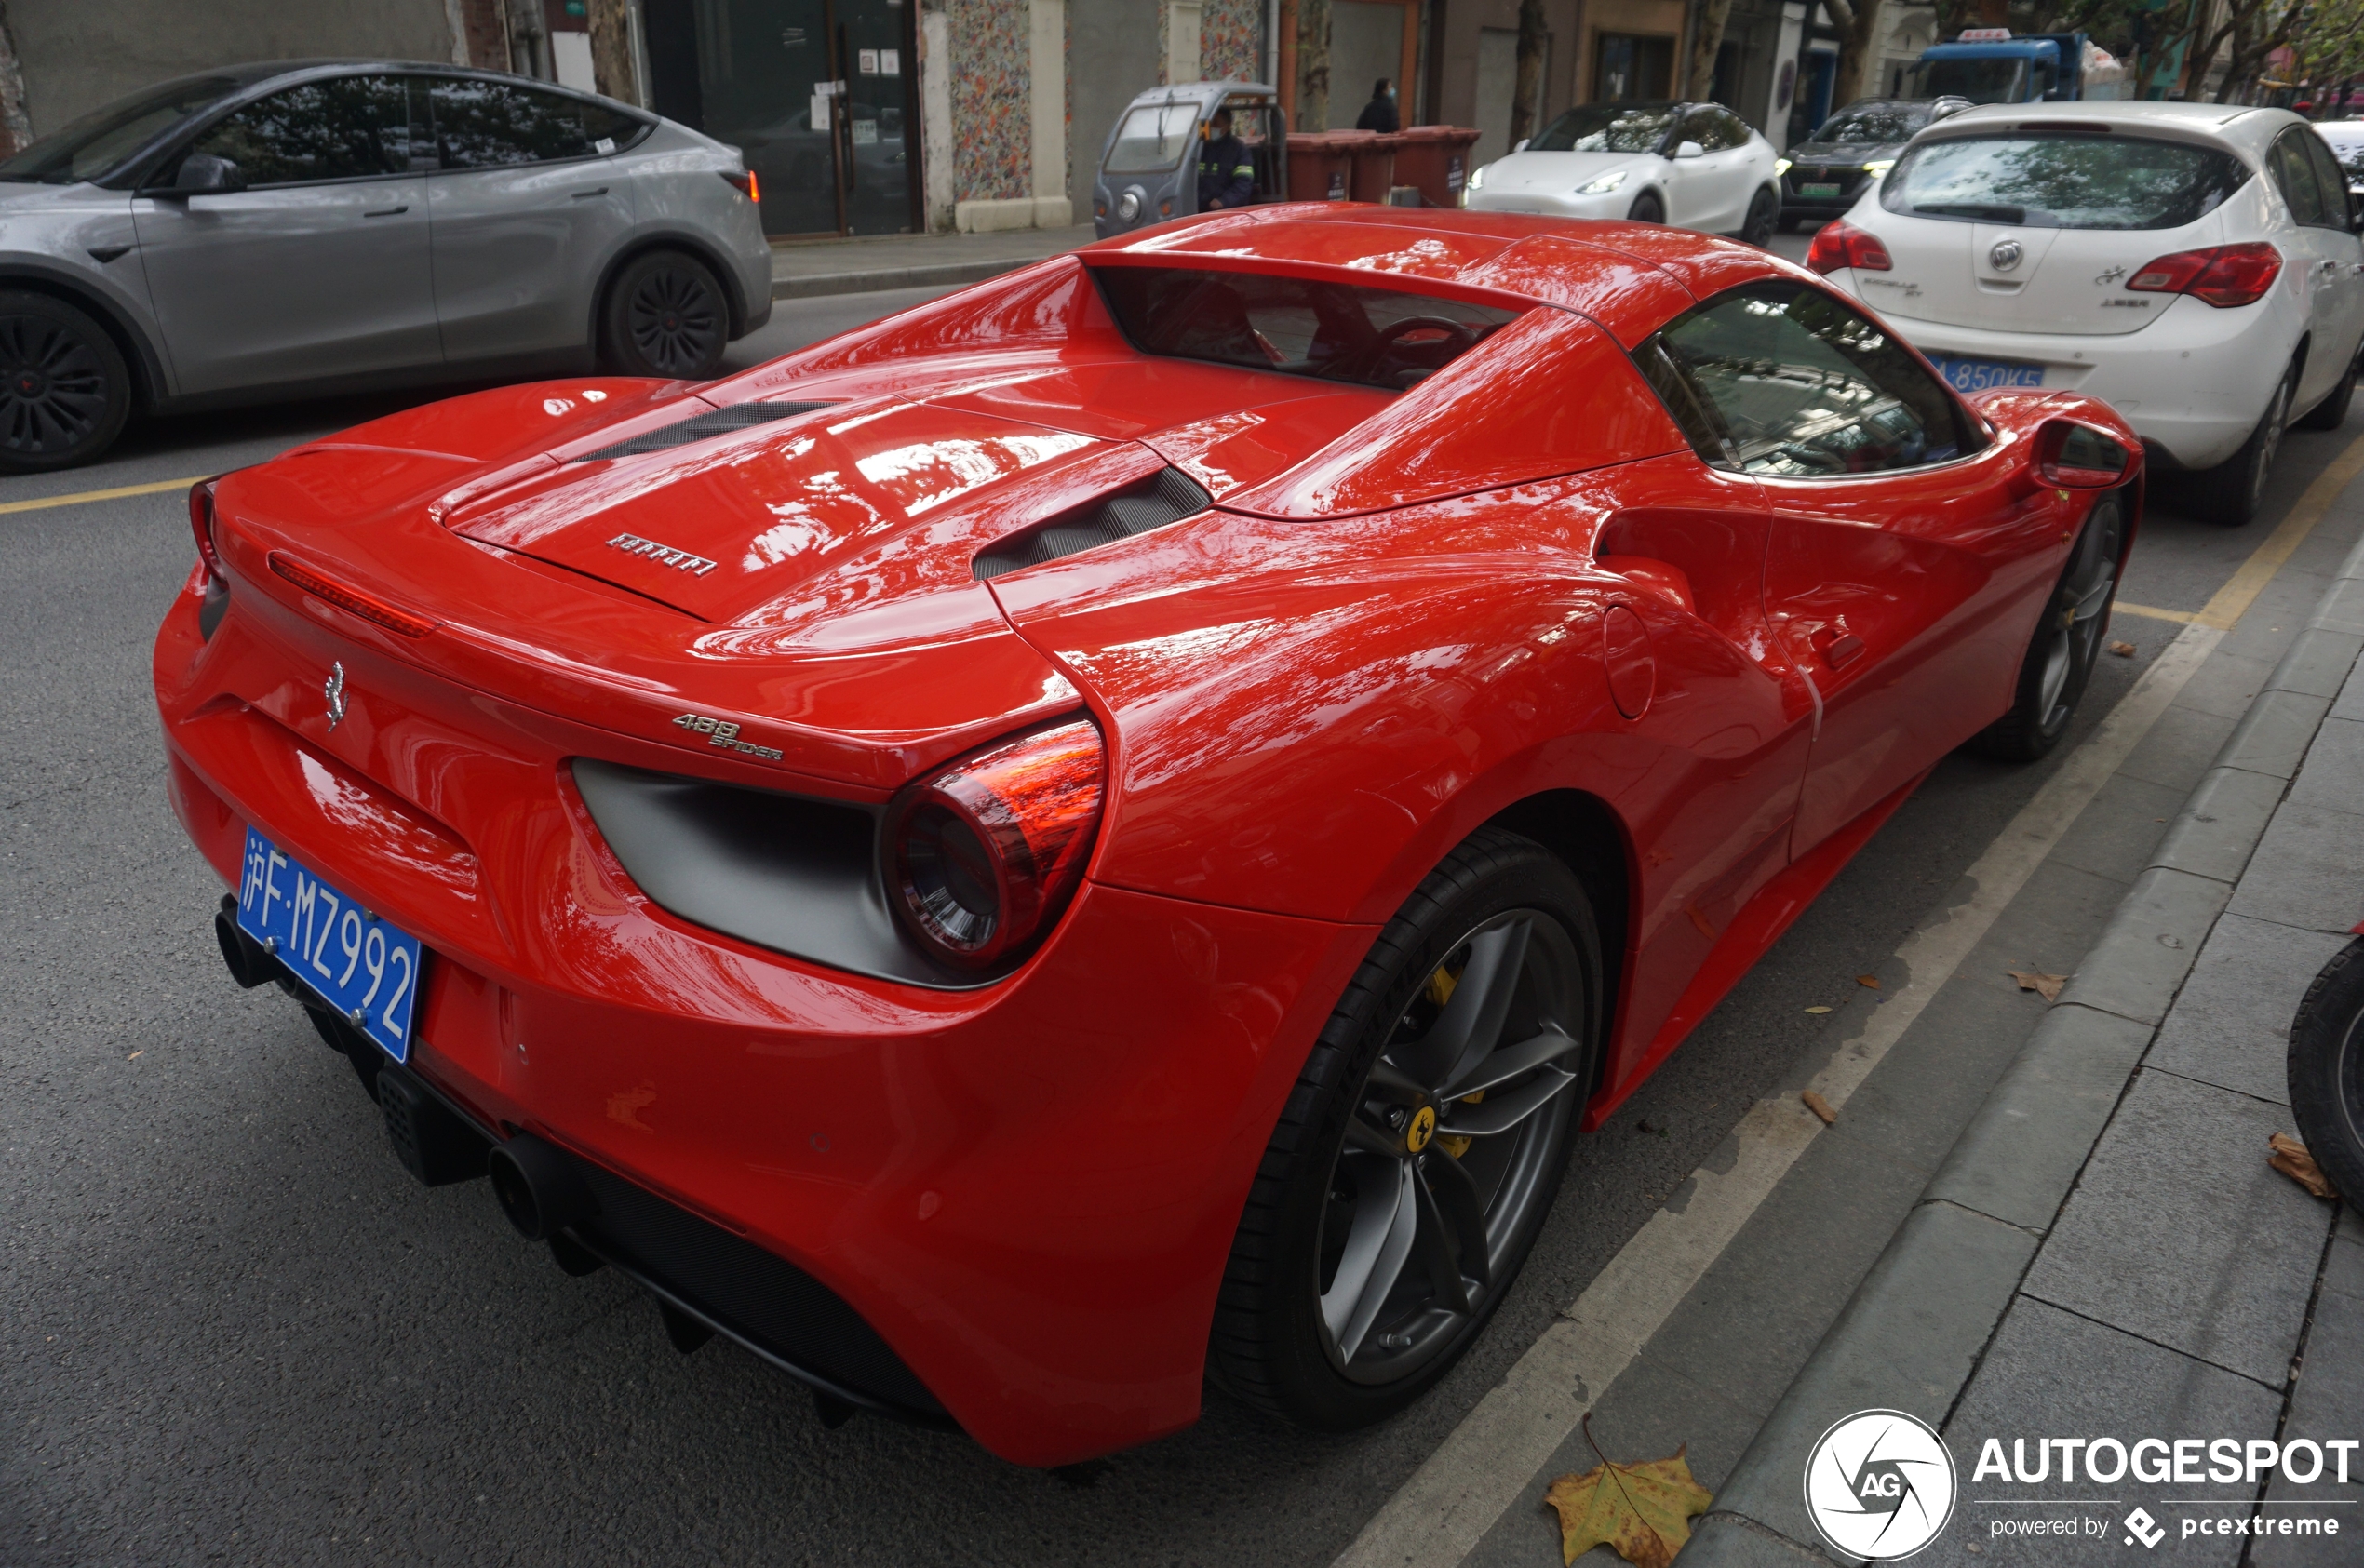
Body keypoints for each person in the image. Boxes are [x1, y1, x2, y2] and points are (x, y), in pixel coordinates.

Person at [1197, 108, 1256, 211]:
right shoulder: (1199, 147)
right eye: (1209, 124)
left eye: (1215, 123)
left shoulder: (1239, 150)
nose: (1211, 127)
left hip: (1226, 212)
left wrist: (1224, 201)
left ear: (1227, 125)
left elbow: (1243, 184)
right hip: (1197, 209)